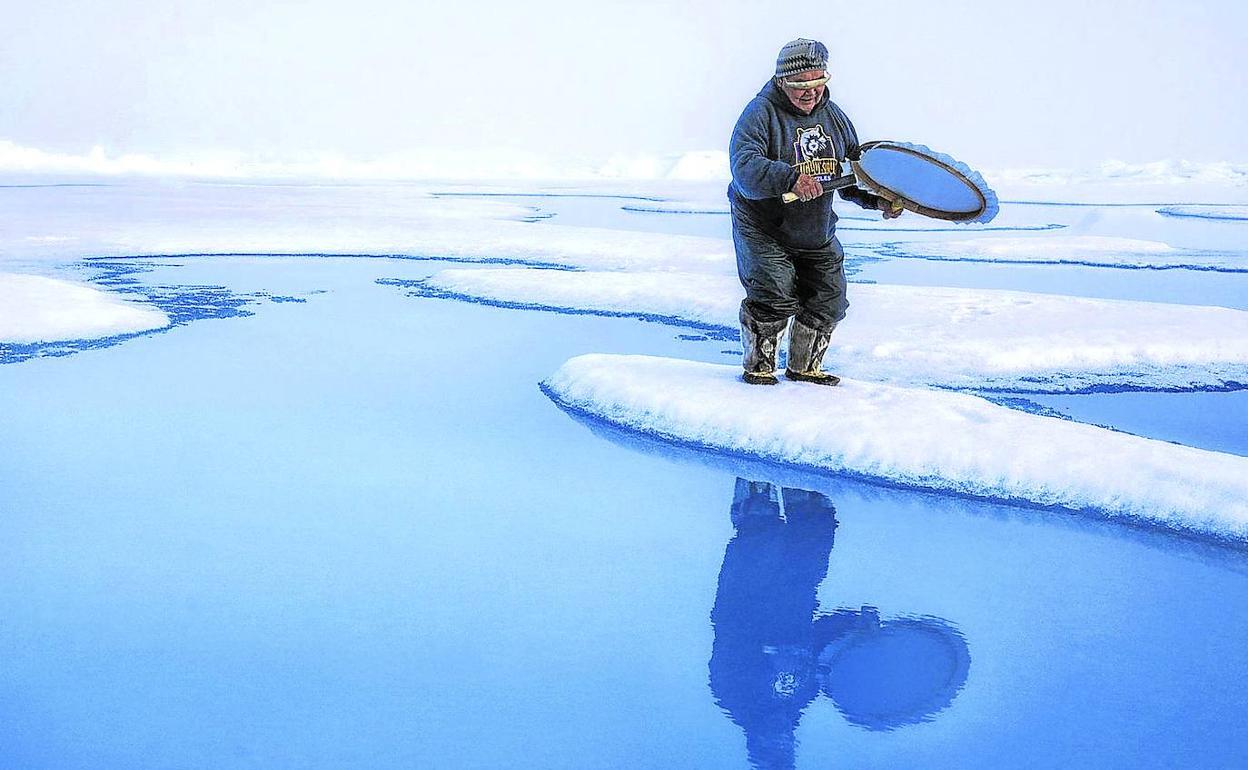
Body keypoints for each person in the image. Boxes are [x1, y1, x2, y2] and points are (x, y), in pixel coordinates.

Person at [729, 38, 901, 386]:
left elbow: (854, 171)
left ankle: (804, 369)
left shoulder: (835, 118)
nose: (810, 93)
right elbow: (744, 167)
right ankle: (759, 371)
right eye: (799, 85)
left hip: (815, 229)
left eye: (817, 82)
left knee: (830, 297)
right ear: (781, 81)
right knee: (774, 293)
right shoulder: (759, 115)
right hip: (765, 227)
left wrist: (878, 199)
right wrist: (790, 178)